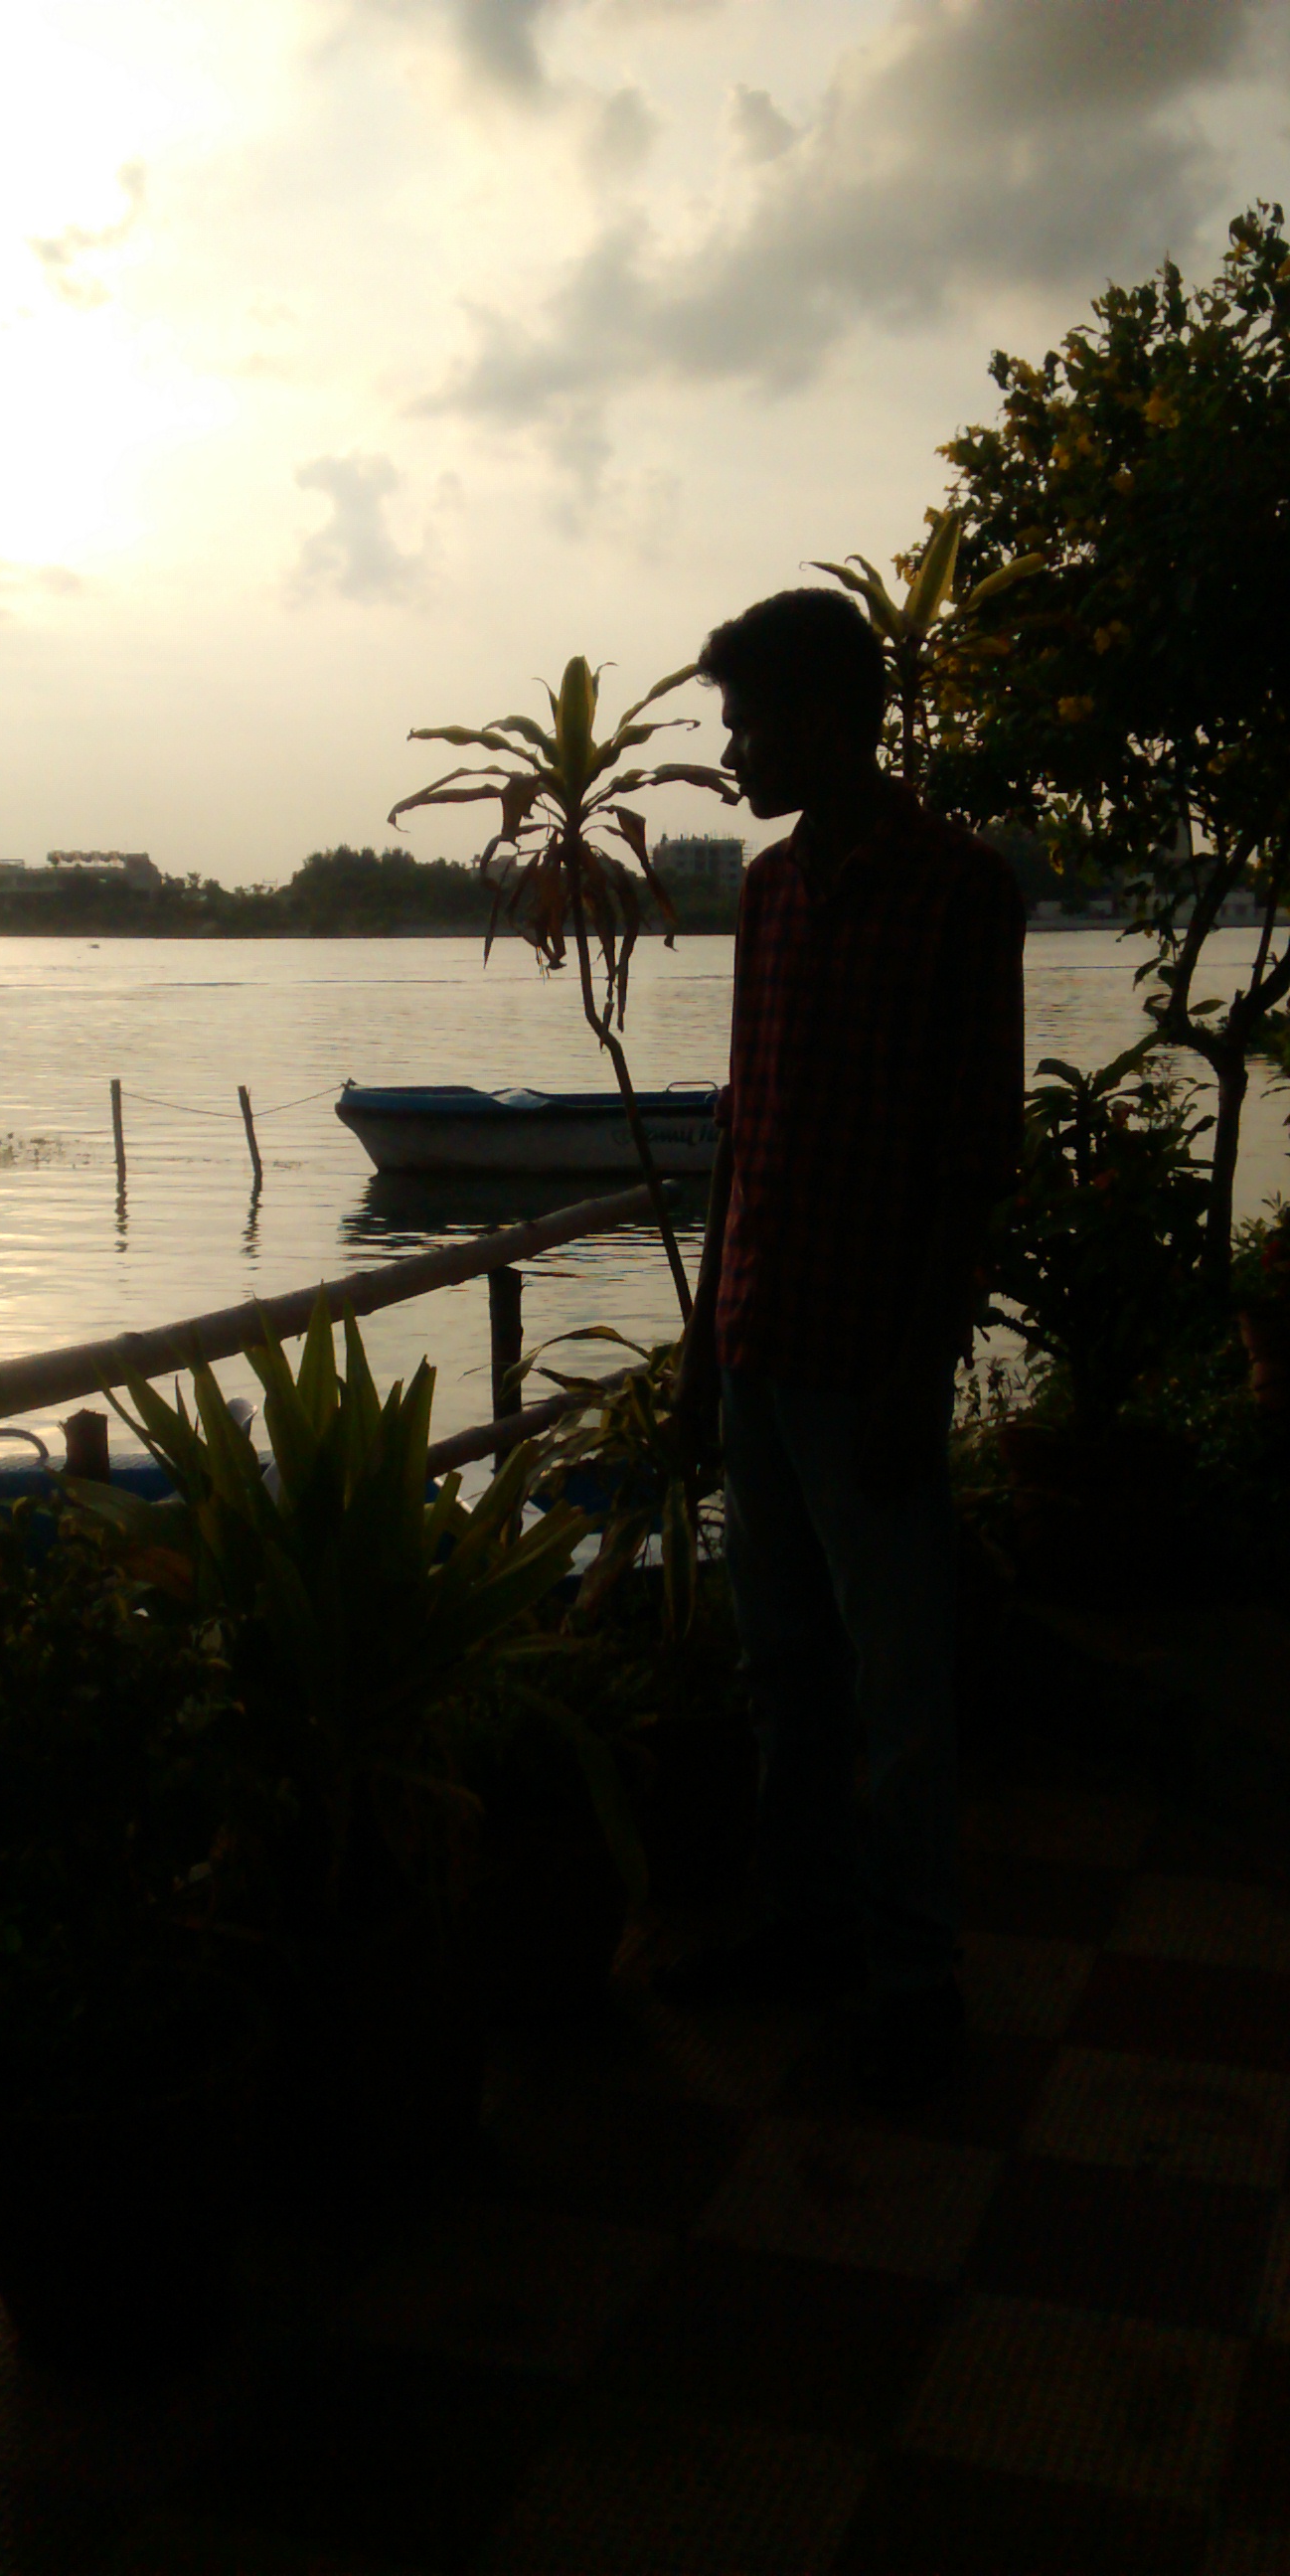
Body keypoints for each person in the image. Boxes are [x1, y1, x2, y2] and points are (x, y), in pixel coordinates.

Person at [665, 586, 1025, 2110]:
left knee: (897, 1683)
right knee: (784, 1663)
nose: (735, 751)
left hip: (866, 1356)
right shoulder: (769, 891)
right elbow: (744, 1133)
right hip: (760, 1336)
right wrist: (703, 1352)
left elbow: (973, 1152)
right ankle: (804, 1922)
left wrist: (914, 1371)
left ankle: (913, 1978)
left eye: (750, 723)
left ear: (828, 720)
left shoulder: (958, 891)